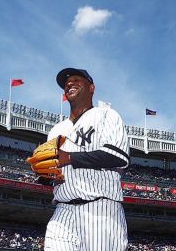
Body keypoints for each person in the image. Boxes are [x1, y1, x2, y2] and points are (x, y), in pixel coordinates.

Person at [43, 68, 129, 250]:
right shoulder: (56, 130)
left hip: (101, 210)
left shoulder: (107, 115)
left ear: (91, 88)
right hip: (63, 210)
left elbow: (118, 156)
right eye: (66, 83)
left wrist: (69, 158)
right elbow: (52, 171)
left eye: (76, 79)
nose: (69, 84)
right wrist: (44, 173)